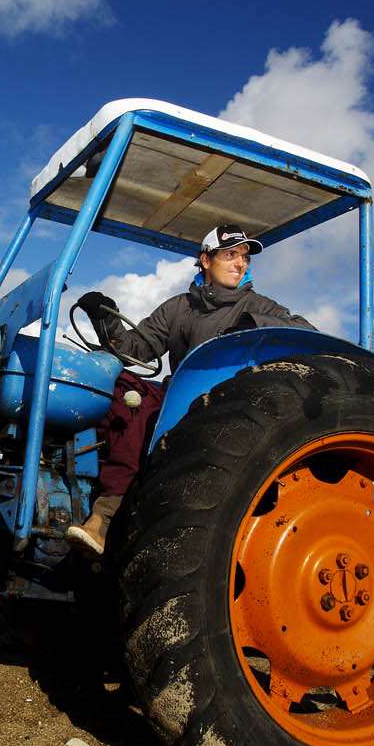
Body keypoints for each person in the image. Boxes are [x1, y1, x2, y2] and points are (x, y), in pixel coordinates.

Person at [64, 225, 316, 557]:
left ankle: (113, 520)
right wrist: (106, 320)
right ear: (206, 260)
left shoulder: (259, 305)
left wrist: (254, 324)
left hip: (229, 408)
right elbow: (135, 349)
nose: (240, 263)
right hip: (177, 403)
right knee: (117, 388)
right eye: (230, 255)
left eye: (244, 257)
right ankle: (98, 511)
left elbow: (307, 331)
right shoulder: (179, 308)